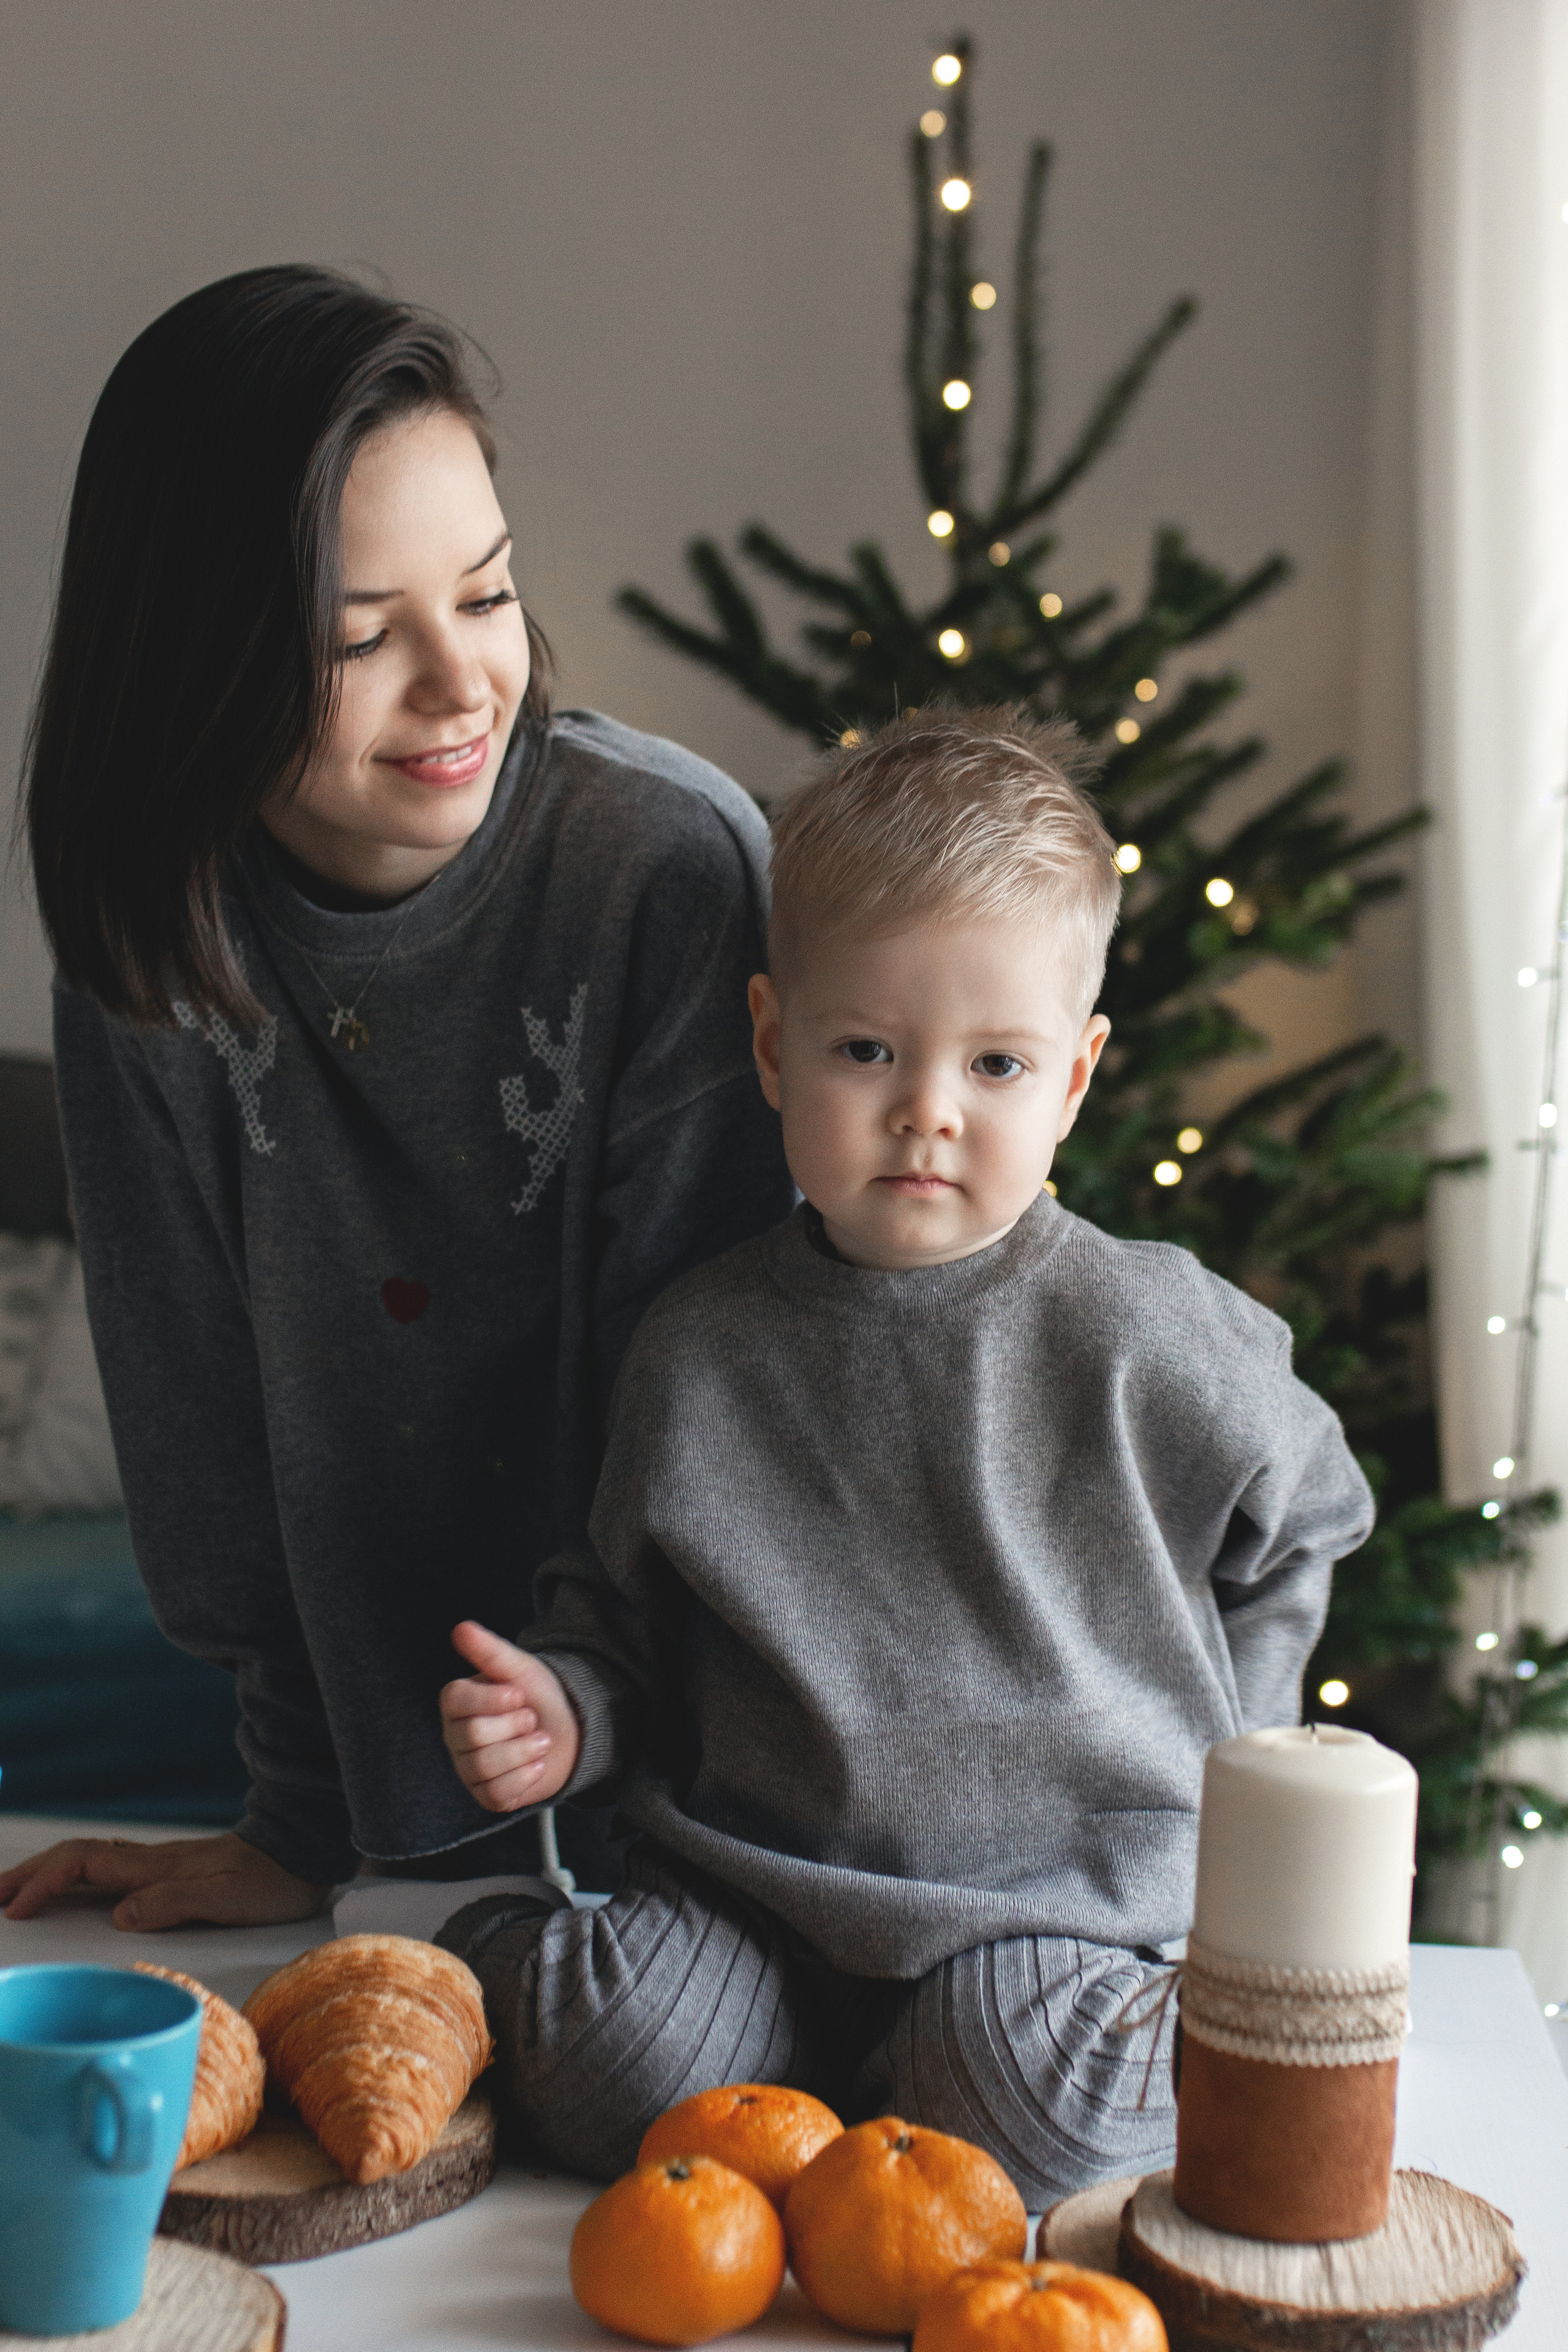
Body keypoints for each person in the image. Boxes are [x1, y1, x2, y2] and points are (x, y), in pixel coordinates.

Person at [432, 706, 1376, 2203]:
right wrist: (566, 1715)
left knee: (1034, 2127)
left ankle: (911, 2068)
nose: (926, 1111)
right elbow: (615, 1627)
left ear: (1072, 1080)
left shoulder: (1149, 1334)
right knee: (614, 2066)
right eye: (865, 1048)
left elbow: (1311, 1512)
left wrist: (1237, 1748)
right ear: (770, 1043)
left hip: (1038, 1914)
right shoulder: (700, 1347)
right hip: (749, 1891)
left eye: (994, 1065)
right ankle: (505, 1954)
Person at [0, 266, 794, 1934]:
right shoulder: (150, 946)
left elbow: (715, 1422)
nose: (459, 685)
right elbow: (211, 1452)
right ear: (194, 663)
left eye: (488, 596)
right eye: (361, 637)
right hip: (393, 1829)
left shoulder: (665, 870)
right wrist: (292, 1825)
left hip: (716, 1806)